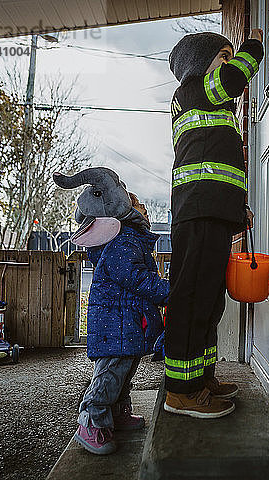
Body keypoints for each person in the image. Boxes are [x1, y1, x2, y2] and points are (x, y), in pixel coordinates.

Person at [164, 28, 263, 418]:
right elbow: (236, 78)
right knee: (191, 297)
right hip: (198, 209)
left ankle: (200, 377)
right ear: (200, 65)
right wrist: (254, 45)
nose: (229, 61)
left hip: (211, 210)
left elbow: (218, 166)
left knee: (208, 298)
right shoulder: (194, 90)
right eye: (223, 55)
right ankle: (180, 390)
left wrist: (238, 209)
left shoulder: (213, 108)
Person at [53, 167, 169, 455]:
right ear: (125, 211)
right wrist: (169, 291)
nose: (143, 208)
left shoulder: (128, 238)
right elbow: (135, 277)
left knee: (124, 370)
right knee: (110, 374)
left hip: (123, 321)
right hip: (114, 324)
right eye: (138, 203)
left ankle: (117, 412)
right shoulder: (124, 240)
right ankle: (90, 419)